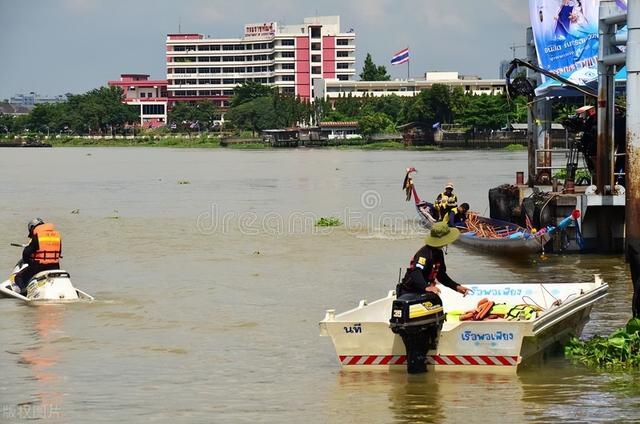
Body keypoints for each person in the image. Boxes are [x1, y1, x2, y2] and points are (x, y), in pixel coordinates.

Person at [398, 221, 470, 298]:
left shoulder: (438, 252)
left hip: (424, 289)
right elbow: (416, 272)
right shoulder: (424, 253)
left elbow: (441, 275)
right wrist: (427, 287)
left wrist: (456, 287)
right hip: (410, 291)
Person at [13, 218, 62, 294]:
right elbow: (59, 252)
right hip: (55, 267)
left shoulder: (37, 236)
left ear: (33, 227)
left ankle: (24, 292)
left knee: (18, 277)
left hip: (39, 267)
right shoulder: (57, 236)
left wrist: (29, 261)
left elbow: (26, 254)